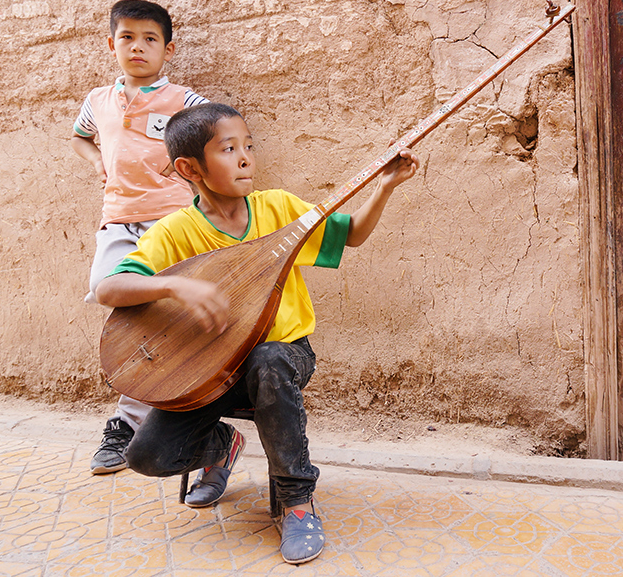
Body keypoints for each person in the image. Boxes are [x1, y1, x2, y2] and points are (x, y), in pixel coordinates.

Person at [95, 102, 419, 564]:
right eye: (229, 149)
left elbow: (350, 235)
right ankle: (222, 444)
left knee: (267, 361)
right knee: (146, 457)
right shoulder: (174, 233)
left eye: (249, 145)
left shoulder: (278, 208)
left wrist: (385, 185)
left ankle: (296, 502)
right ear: (191, 168)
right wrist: (173, 284)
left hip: (285, 355)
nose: (246, 157)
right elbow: (109, 288)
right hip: (210, 372)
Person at [71, 0, 208, 475]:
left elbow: (215, 129)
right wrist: (99, 166)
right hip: (117, 220)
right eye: (127, 37)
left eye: (150, 39)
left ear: (167, 50)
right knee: (119, 302)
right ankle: (140, 419)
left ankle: (129, 424)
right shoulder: (97, 101)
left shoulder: (183, 100)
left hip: (170, 224)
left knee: (169, 315)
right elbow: (80, 136)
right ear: (112, 45)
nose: (138, 47)